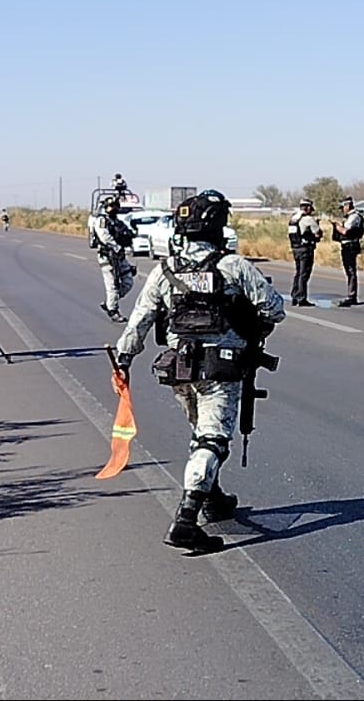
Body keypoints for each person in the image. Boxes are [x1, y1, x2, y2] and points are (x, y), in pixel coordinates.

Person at [114, 190, 286, 553]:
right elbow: (274, 309)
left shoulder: (164, 270)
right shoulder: (233, 266)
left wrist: (123, 360)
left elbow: (139, 321)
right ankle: (186, 520)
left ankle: (214, 497)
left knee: (201, 434)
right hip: (221, 372)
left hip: (180, 372)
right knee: (212, 439)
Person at [92, 195, 137, 322]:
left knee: (128, 282)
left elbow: (126, 235)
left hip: (120, 257)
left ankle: (109, 302)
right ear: (106, 207)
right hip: (108, 257)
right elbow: (104, 237)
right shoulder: (101, 221)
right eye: (111, 206)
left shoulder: (118, 222)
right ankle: (113, 310)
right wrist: (116, 247)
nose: (114, 209)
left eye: (116, 206)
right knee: (112, 285)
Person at [286, 198, 322, 306]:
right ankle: (302, 298)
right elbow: (318, 233)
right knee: (304, 274)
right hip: (306, 249)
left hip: (296, 249)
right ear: (307, 208)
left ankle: (294, 296)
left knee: (298, 273)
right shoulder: (308, 219)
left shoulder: (293, 219)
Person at [330, 196, 364, 307]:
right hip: (346, 246)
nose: (342, 210)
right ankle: (351, 295)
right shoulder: (350, 217)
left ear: (348, 206)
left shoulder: (354, 217)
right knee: (348, 270)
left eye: (343, 207)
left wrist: (337, 226)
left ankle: (352, 296)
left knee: (350, 271)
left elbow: (346, 231)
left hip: (351, 246)